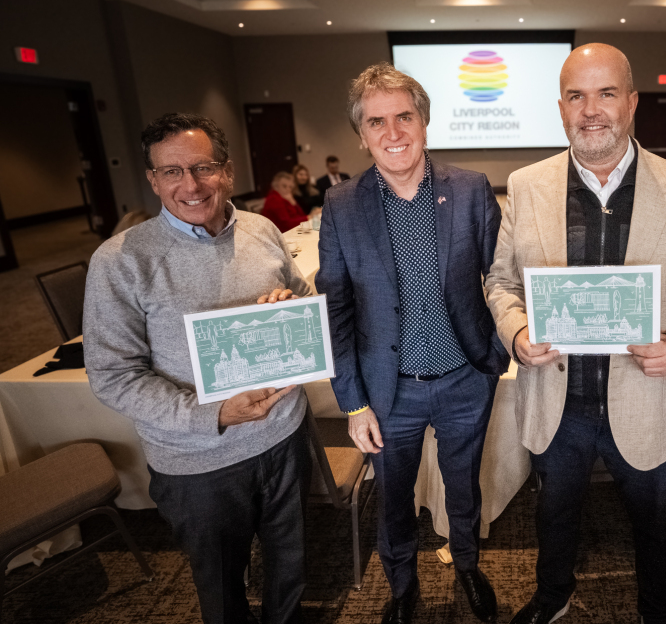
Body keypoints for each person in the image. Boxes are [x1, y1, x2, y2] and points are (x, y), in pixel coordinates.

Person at [484, 43, 666, 624]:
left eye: (605, 94)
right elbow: (501, 282)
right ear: (560, 106)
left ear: (631, 103)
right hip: (558, 400)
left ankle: (659, 608)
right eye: (577, 95)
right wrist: (518, 332)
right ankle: (554, 598)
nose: (591, 109)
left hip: (649, 398)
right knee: (554, 516)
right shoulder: (525, 186)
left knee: (655, 521)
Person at [83, 112, 312, 624]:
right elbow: (112, 375)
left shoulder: (261, 229)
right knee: (222, 587)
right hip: (198, 461)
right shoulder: (120, 260)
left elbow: (305, 298)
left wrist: (288, 307)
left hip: (284, 434)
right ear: (153, 180)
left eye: (203, 167)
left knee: (290, 568)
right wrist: (211, 414)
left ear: (227, 171)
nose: (190, 185)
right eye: (171, 172)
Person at [315, 63, 510, 624]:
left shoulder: (471, 190)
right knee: (393, 499)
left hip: (464, 379)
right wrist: (351, 401)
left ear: (424, 121)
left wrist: (496, 357)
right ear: (361, 134)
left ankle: (468, 566)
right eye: (377, 121)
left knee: (463, 488)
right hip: (386, 392)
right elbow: (337, 309)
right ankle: (403, 589)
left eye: (404, 116)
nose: (393, 132)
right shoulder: (343, 205)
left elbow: (502, 280)